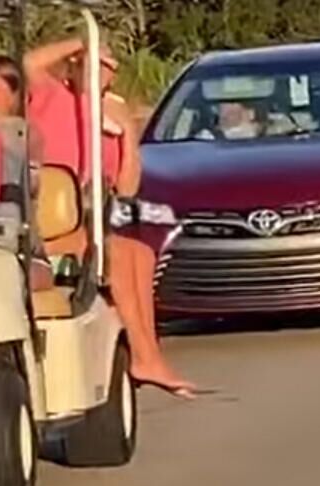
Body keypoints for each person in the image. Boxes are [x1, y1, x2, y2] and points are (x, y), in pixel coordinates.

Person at [24, 36, 197, 398]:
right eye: (94, 61)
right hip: (51, 217)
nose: (102, 70)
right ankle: (145, 356)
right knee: (116, 254)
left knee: (141, 253)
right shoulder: (53, 96)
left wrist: (128, 136)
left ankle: (148, 354)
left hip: (87, 218)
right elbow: (28, 65)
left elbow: (127, 187)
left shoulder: (109, 116)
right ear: (74, 64)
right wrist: (80, 41)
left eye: (108, 65)